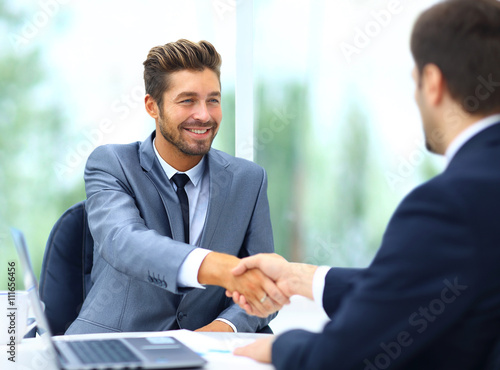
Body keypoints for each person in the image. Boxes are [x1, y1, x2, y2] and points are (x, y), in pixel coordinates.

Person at [228, 0, 500, 368]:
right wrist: (302, 278)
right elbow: (419, 289)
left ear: (433, 83)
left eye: (415, 82)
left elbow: (342, 359)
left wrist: (280, 347)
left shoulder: (450, 203)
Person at [66, 39, 286, 335]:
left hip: (210, 351)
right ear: (152, 106)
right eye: (187, 101)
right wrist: (217, 268)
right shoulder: (112, 163)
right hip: (116, 345)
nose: (204, 115)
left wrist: (224, 327)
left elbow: (263, 288)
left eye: (213, 100)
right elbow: (124, 242)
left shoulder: (249, 180)